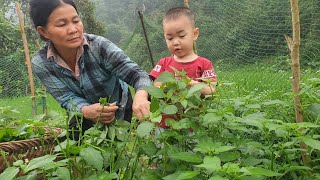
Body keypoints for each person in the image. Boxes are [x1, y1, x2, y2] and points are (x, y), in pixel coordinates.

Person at [29, 0, 152, 140]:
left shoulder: (99, 46)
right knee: (74, 151)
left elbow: (138, 75)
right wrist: (86, 110)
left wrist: (141, 96)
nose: (73, 29)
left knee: (121, 151)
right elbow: (65, 96)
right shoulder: (41, 63)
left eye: (76, 21)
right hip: (83, 114)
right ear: (44, 31)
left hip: (120, 107)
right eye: (62, 24)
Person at [150, 7, 217, 128]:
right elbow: (155, 85)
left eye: (181, 36)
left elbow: (211, 90)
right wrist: (170, 84)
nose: (175, 42)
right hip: (165, 124)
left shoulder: (204, 63)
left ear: (195, 34)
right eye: (170, 38)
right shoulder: (163, 62)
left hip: (194, 124)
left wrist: (190, 84)